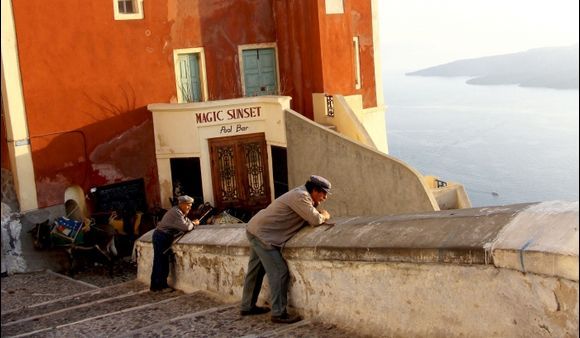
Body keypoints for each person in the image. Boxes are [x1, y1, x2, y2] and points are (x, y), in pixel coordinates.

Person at [240, 175, 332, 324]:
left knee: (256, 271)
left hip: (255, 229)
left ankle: (247, 306)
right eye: (323, 193)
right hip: (265, 236)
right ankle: (278, 313)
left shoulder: (301, 194)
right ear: (314, 190)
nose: (325, 197)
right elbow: (315, 220)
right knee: (279, 272)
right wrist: (324, 215)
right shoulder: (301, 197)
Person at [150, 195, 199, 292]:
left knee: (159, 261)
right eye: (188, 205)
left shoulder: (179, 212)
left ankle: (155, 286)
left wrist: (191, 223)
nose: (190, 207)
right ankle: (161, 286)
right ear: (181, 204)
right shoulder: (176, 213)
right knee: (161, 262)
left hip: (161, 237)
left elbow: (186, 223)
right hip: (161, 237)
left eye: (191, 205)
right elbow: (186, 227)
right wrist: (194, 224)